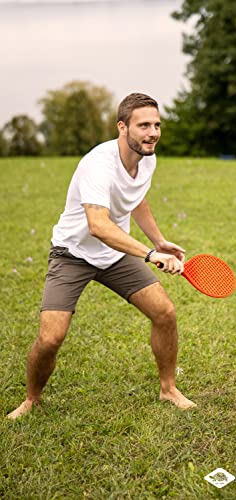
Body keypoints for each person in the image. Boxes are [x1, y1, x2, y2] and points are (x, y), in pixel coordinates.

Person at [7, 93, 196, 420]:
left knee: (164, 313)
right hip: (73, 254)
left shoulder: (147, 158)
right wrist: (150, 255)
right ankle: (31, 398)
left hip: (114, 255)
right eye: (143, 126)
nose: (152, 133)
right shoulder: (98, 163)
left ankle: (168, 389)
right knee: (51, 338)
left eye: (157, 125)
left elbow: (136, 199)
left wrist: (160, 240)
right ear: (122, 127)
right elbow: (98, 225)